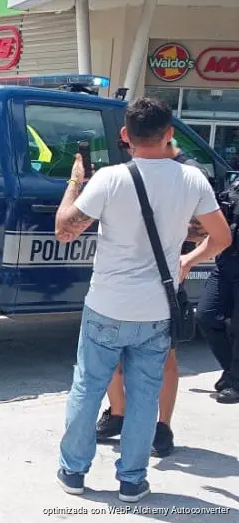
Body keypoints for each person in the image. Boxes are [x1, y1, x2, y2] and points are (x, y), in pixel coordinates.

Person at [54, 97, 231, 503]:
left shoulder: (110, 178)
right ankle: (132, 480)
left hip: (106, 305)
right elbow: (221, 237)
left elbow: (65, 229)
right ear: (169, 134)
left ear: (124, 135)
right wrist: (188, 260)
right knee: (145, 395)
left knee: (88, 388)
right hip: (156, 310)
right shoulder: (192, 180)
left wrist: (75, 181)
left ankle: (74, 471)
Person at [96, 143, 212, 456]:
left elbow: (210, 231)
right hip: (122, 279)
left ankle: (162, 427)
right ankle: (118, 414)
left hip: (162, 282)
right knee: (112, 354)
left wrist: (187, 258)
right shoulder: (125, 172)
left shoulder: (187, 173)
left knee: (165, 360)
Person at [195, 164, 239, 404]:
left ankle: (236, 382)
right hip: (225, 264)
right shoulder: (235, 186)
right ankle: (232, 372)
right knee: (205, 315)